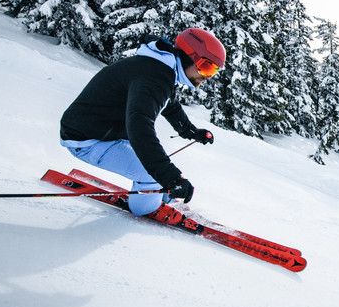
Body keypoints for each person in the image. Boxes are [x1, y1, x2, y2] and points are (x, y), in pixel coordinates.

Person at [59, 28, 225, 219]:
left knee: (157, 167)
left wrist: (190, 131)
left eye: (214, 71)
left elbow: (168, 104)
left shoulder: (159, 68)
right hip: (85, 139)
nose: (208, 76)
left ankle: (158, 195)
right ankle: (147, 209)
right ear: (189, 57)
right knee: (152, 176)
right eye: (206, 67)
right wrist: (169, 177)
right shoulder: (154, 77)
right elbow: (140, 127)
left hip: (102, 131)